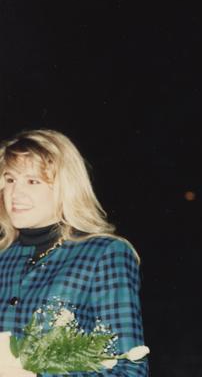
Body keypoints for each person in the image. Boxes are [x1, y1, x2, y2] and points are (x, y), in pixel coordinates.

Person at [0, 129, 148, 377]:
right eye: (10, 180)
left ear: (66, 187)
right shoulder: (4, 258)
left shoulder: (104, 254)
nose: (15, 194)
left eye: (33, 181)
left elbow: (129, 371)